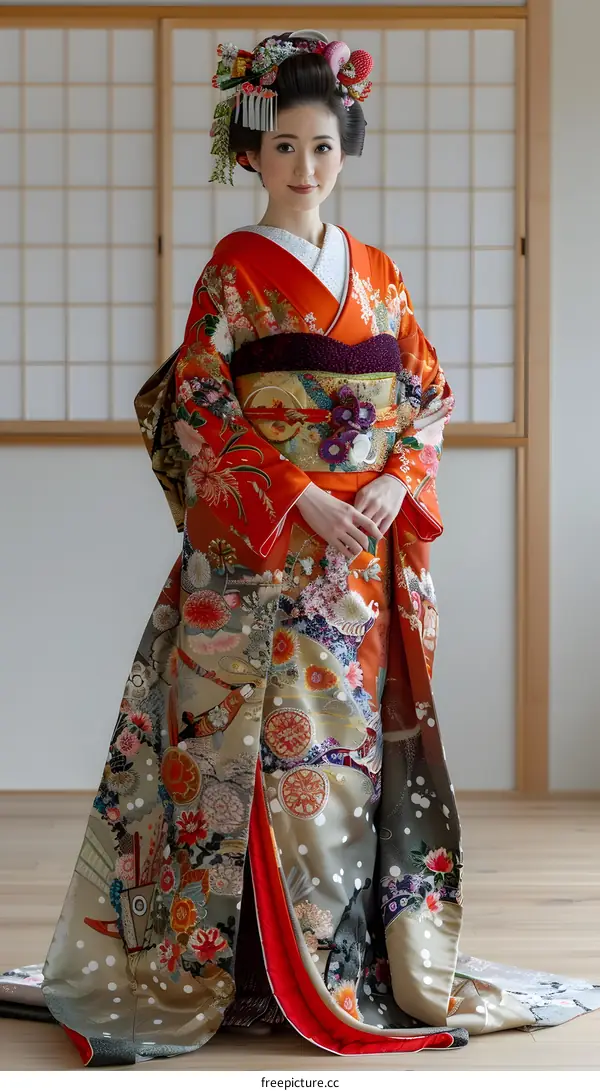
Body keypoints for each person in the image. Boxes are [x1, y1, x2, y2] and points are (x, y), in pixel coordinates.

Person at [39, 30, 600, 1066]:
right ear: (252, 153)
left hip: (358, 569)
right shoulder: (234, 269)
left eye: (324, 146)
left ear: (348, 150)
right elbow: (199, 403)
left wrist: (392, 481)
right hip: (264, 561)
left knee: (339, 770)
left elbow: (427, 396)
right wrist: (298, 495)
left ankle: (337, 963)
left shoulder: (378, 274)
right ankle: (240, 968)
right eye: (286, 146)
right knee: (249, 758)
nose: (306, 165)